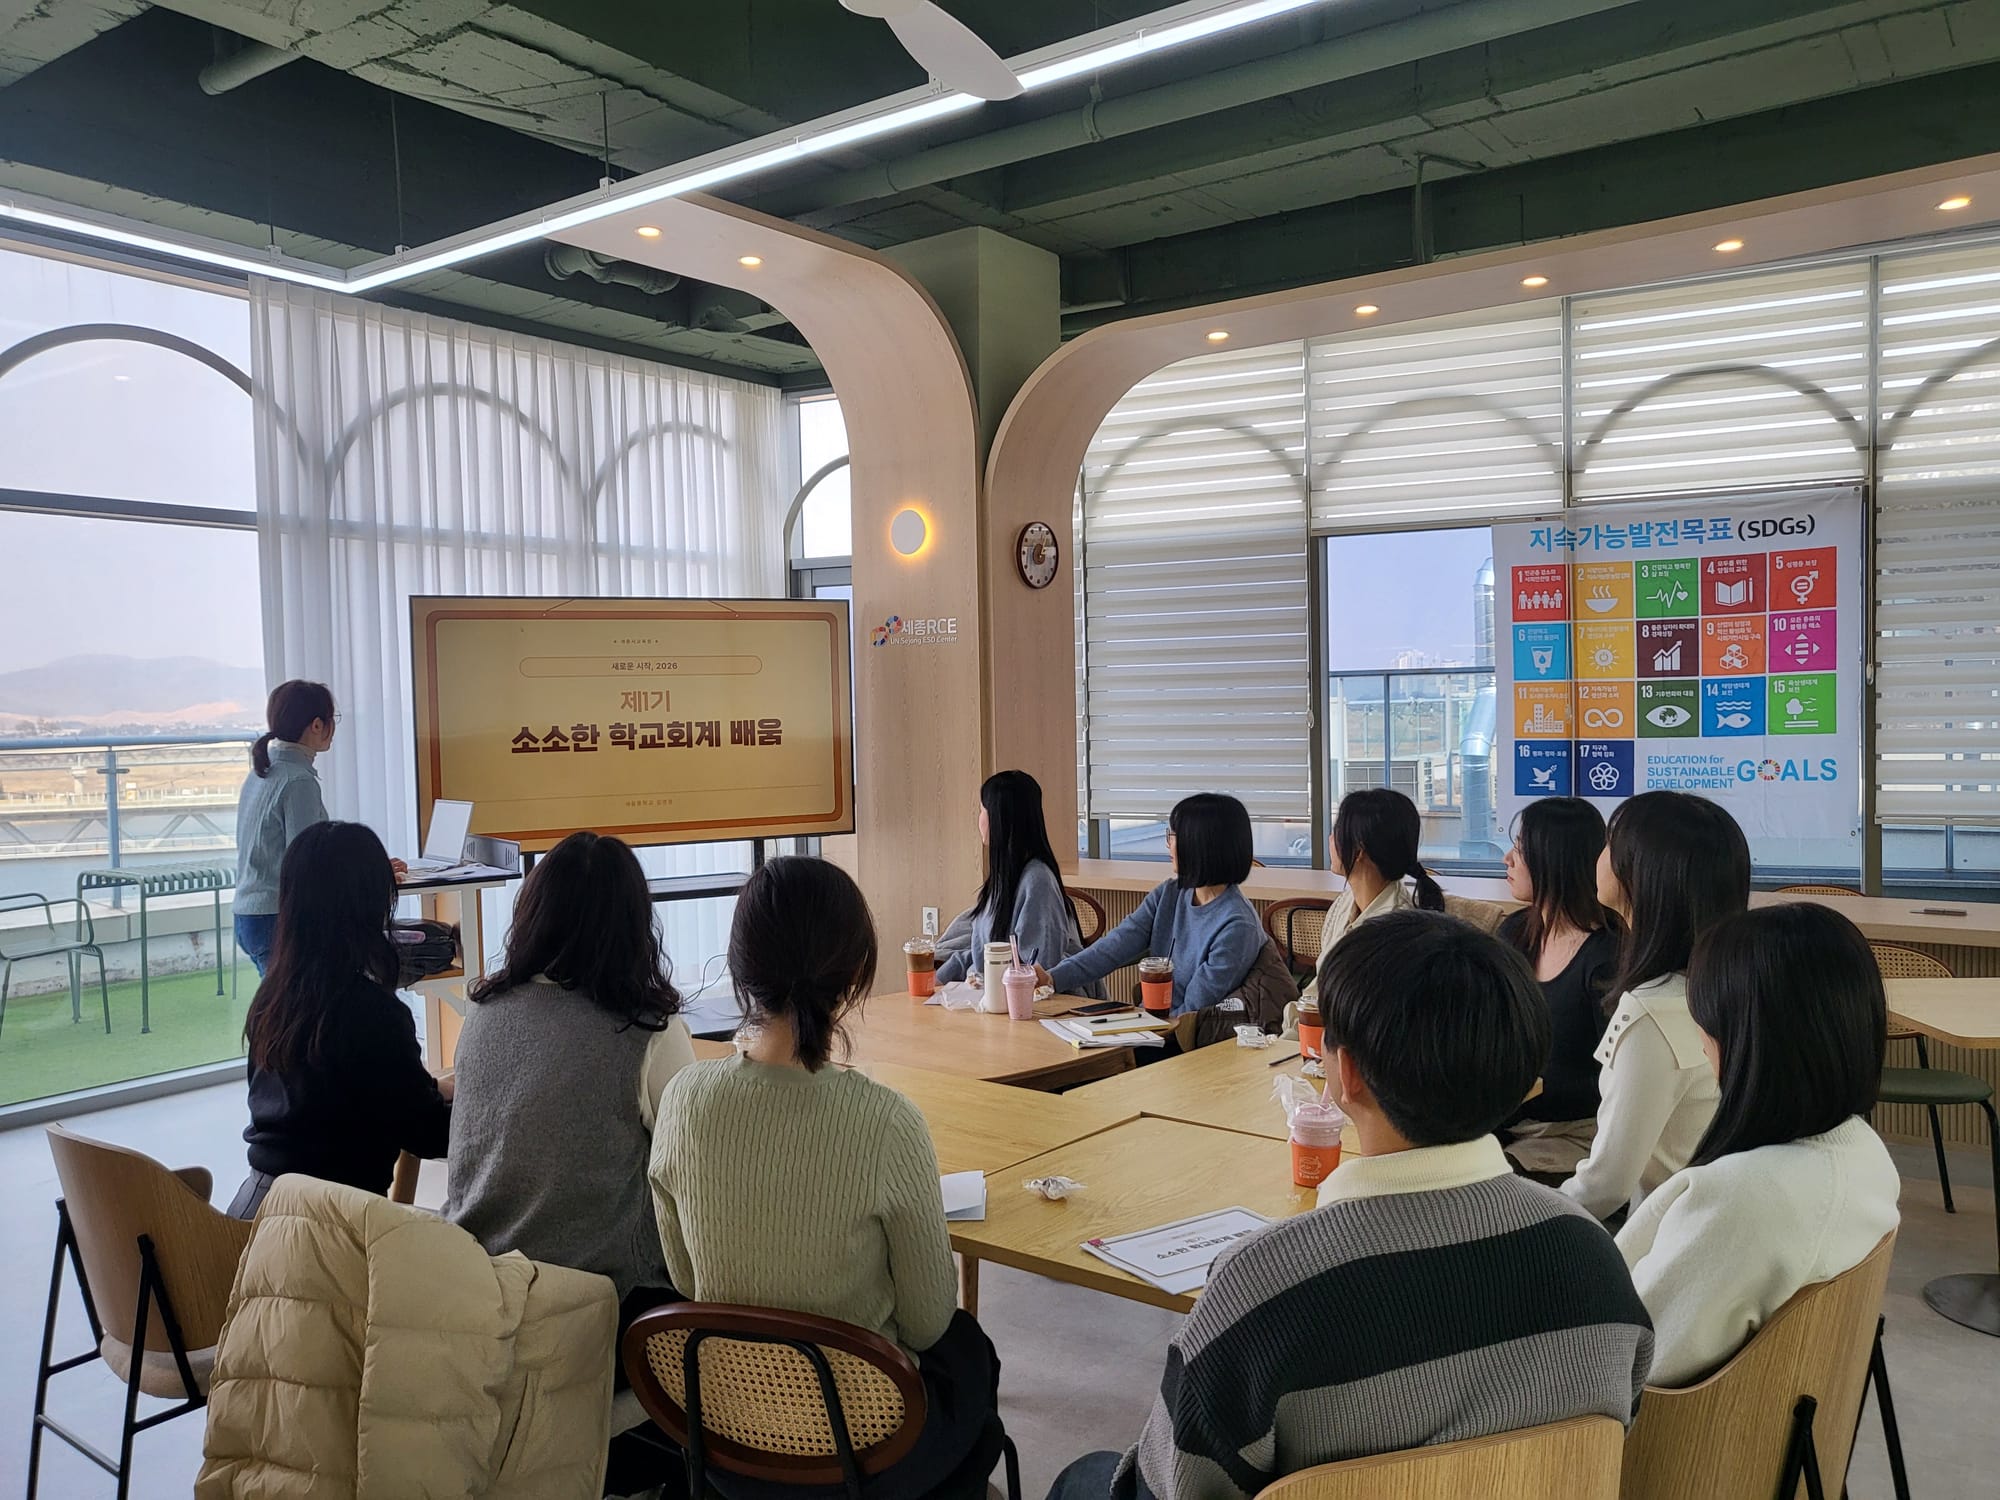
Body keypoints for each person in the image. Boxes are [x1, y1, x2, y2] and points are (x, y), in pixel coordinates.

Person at [1047, 910, 1653, 1500]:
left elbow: (1167, 1487)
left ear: (1347, 1074)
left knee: (1085, 1475)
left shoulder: (1262, 1285)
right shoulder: (1594, 1256)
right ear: (1523, 1074)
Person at [649, 857, 1001, 1500]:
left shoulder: (683, 1101)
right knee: (969, 1352)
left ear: (740, 968)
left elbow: (687, 1281)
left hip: (726, 1438)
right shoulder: (886, 1123)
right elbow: (925, 1323)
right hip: (864, 1446)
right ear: (856, 976)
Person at [1619, 904, 1900, 1386]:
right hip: (1775, 1434)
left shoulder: (1742, 1199)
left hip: (1651, 1451)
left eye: (1706, 1022)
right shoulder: (1866, 1154)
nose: (1703, 1040)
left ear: (1747, 1040)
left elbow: (1632, 1365)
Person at [445, 830, 693, 1322]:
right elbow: (694, 1168)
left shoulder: (482, 1011)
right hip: (602, 1308)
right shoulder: (647, 1031)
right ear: (635, 924)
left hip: (476, 1292)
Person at [230, 821, 450, 1219]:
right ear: (371, 905)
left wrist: (434, 1088)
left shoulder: (273, 997)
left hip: (255, 1211)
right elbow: (431, 1134)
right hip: (327, 1228)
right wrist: (496, 1104)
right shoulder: (372, 1014)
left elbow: (331, 1095)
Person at [1562, 791, 1750, 1222]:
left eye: (1609, 844)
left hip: (1661, 1242)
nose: (1599, 855)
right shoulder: (1731, 987)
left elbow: (1604, 1187)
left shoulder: (1652, 1015)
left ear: (1640, 873)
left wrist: (1517, 1222)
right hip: (1710, 1221)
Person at [1041, 793, 1262, 1017]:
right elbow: (1113, 948)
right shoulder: (1169, 894)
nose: (1168, 844)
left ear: (1198, 843)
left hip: (1185, 1039)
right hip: (1151, 1025)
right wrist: (1051, 978)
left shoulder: (1237, 925)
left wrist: (1134, 1033)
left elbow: (1191, 1013)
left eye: (1173, 835)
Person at [1499, 798, 1621, 1171]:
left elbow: (1615, 1077)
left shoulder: (1607, 956)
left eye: (1520, 850)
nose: (1508, 858)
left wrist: (1536, 1088)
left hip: (1572, 1131)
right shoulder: (1515, 932)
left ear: (1554, 859)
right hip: (1506, 1118)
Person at [936, 770, 1094, 990]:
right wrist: (936, 980)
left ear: (1000, 819)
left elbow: (1037, 971)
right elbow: (980, 956)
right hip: (997, 999)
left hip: (1039, 1008)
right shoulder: (1005, 879)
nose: (979, 818)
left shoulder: (1037, 882)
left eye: (982, 810)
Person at [232, 680, 336, 976]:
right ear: (317, 725)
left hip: (250, 913)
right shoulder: (298, 781)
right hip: (278, 920)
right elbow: (306, 863)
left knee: (282, 1014)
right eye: (332, 720)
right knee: (296, 1017)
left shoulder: (262, 773)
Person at [1315, 787, 1446, 964]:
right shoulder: (1344, 902)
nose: (1330, 838)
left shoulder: (1396, 932)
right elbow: (1320, 982)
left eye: (1336, 831)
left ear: (1359, 850)